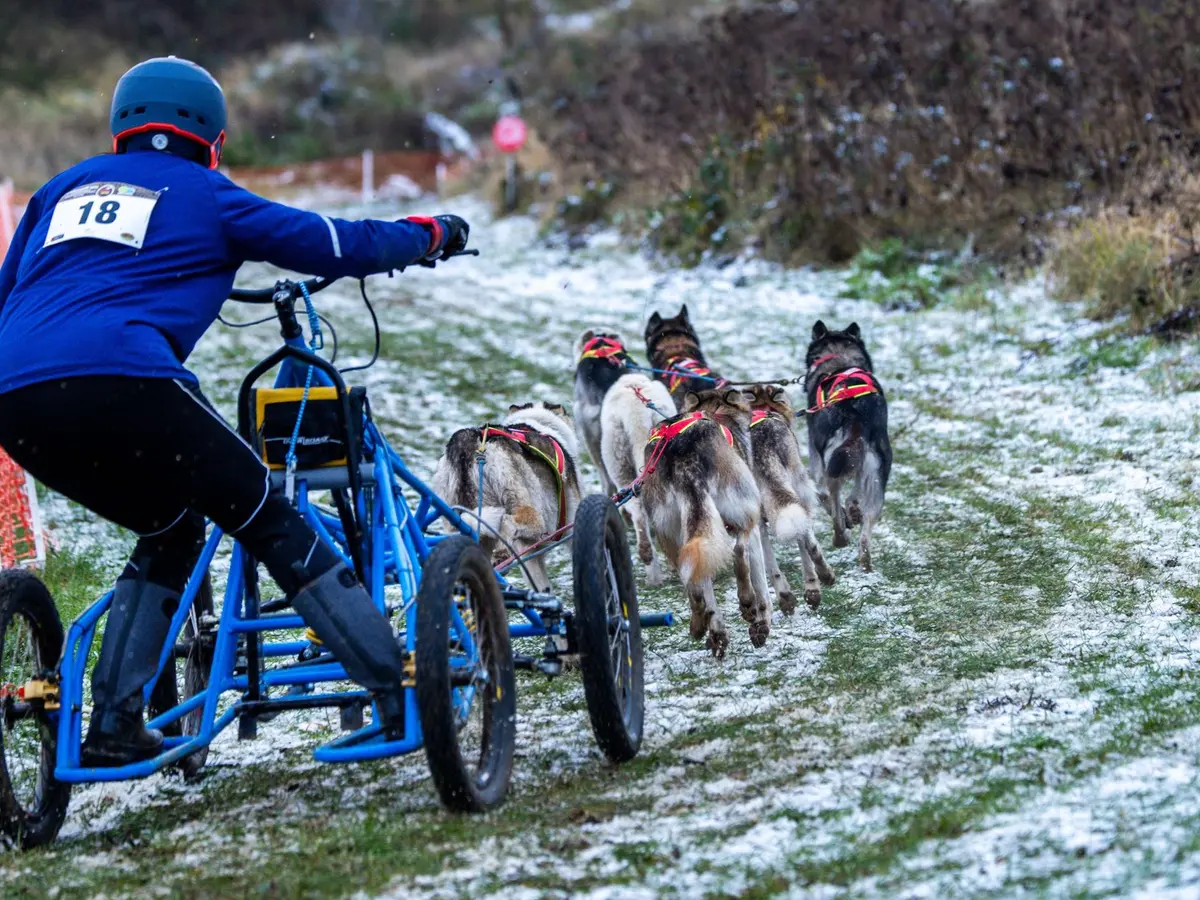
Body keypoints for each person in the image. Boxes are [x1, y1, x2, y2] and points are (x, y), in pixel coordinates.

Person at [0, 57, 471, 767]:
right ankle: (395, 686)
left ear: (123, 127)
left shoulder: (59, 191)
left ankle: (114, 726)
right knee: (264, 513)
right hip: (129, 379)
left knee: (173, 525)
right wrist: (430, 234)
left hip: (16, 397)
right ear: (210, 135)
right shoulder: (209, 194)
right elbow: (339, 244)